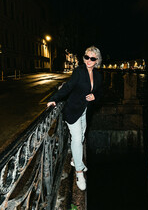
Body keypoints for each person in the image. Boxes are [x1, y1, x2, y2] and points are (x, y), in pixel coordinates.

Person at [47, 46, 103, 190]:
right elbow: (68, 87)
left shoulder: (97, 75)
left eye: (92, 58)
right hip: (72, 110)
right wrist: (54, 98)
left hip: (85, 110)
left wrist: (95, 97)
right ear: (84, 58)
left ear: (97, 60)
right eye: (87, 57)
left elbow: (100, 92)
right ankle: (79, 172)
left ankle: (74, 159)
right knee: (77, 139)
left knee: (81, 136)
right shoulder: (79, 71)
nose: (89, 61)